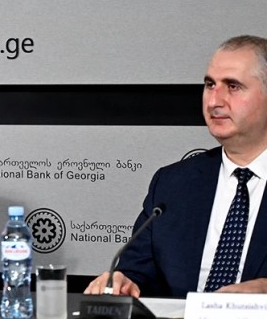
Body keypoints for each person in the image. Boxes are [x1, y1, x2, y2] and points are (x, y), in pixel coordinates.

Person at [85, 35, 267, 298]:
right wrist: (124, 281)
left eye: (233, 86)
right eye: (210, 85)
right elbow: (138, 272)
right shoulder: (173, 184)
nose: (214, 101)